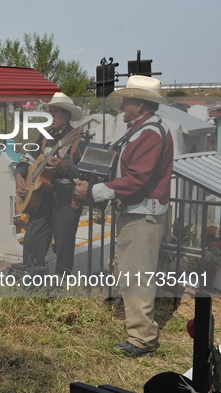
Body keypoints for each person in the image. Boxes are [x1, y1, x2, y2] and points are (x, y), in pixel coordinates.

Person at [74, 75, 174, 357]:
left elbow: (136, 178)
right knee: (132, 272)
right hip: (138, 211)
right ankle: (139, 332)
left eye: (126, 100)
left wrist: (96, 191)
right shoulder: (143, 129)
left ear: (139, 104)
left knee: (138, 275)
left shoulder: (149, 133)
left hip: (142, 214)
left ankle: (142, 339)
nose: (122, 105)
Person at [14, 92, 87, 275]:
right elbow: (26, 159)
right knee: (33, 236)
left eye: (56, 112)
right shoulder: (44, 136)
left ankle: (62, 288)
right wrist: (19, 176)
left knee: (63, 243)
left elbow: (87, 173)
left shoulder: (79, 140)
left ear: (67, 115)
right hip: (41, 195)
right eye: (50, 112)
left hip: (65, 197)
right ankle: (32, 279)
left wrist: (66, 168)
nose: (51, 116)